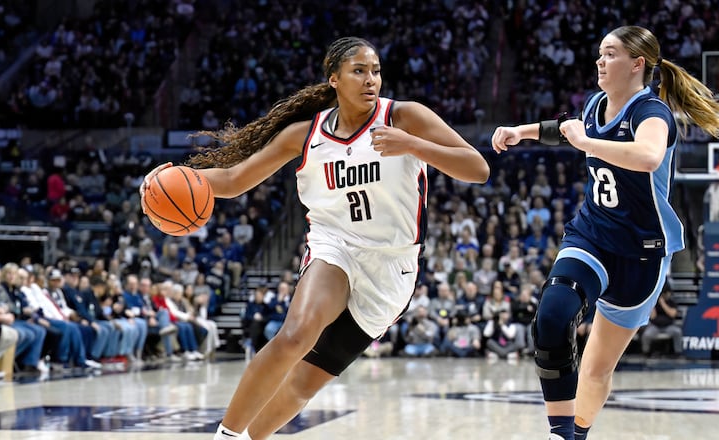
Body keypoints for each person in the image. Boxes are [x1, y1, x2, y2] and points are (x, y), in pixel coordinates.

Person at [140, 36, 489, 440]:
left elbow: (477, 168)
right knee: (295, 335)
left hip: (393, 267)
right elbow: (234, 180)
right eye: (359, 71)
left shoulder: (404, 117)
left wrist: (412, 144)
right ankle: (226, 437)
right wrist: (171, 179)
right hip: (334, 246)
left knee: (304, 384)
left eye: (376, 71)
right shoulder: (304, 135)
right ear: (334, 79)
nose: (371, 80)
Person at [491, 25, 719, 440]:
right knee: (552, 318)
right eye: (600, 53)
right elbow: (565, 127)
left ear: (637, 64)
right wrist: (520, 132)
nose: (600, 61)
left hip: (640, 253)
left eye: (610, 54)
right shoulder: (595, 104)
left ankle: (577, 433)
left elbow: (648, 156)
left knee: (597, 370)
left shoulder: (651, 113)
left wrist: (587, 143)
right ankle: (560, 434)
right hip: (592, 236)